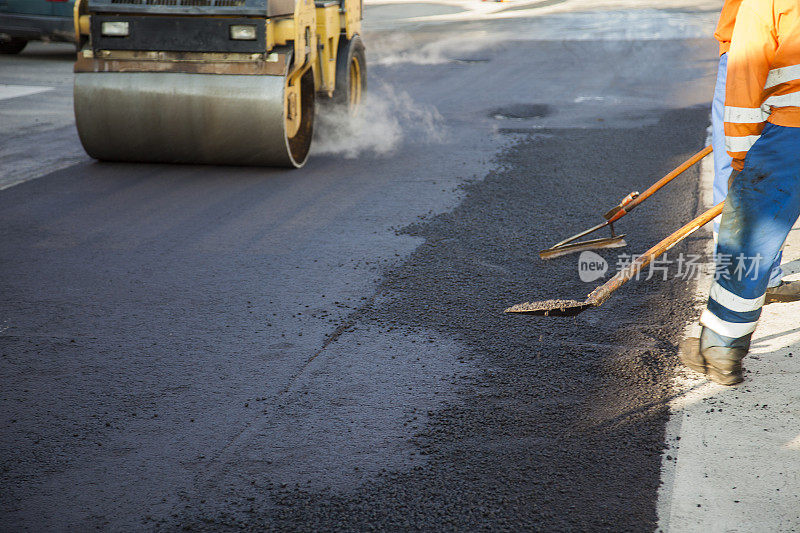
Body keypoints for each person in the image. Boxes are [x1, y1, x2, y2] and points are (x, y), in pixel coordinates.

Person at [680, 0, 800, 385]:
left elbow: (745, 79)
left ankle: (720, 347)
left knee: (749, 238)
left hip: (791, 131)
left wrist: (739, 159)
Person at [711, 0, 800, 303]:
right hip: (752, 48)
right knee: (740, 165)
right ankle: (740, 278)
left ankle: (752, 276)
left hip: (763, 45)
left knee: (745, 162)